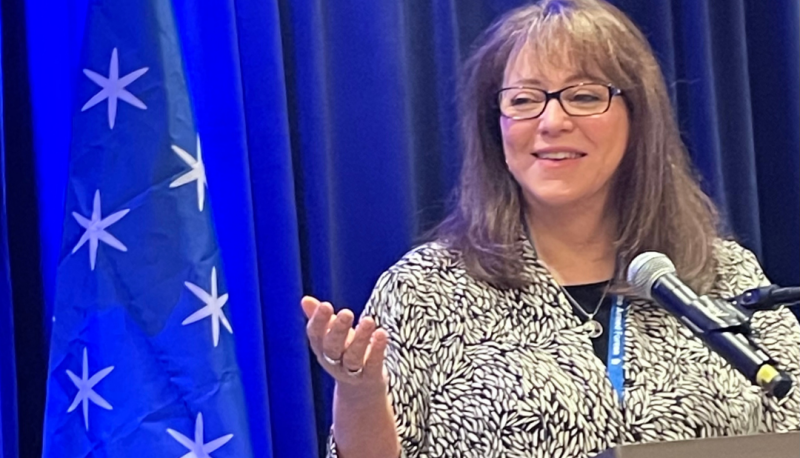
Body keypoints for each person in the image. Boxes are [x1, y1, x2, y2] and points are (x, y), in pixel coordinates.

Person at [301, 0, 800, 457]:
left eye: (583, 96)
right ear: (494, 127)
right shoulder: (424, 289)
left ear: (638, 117)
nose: (552, 121)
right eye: (523, 100)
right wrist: (360, 395)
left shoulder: (726, 275)